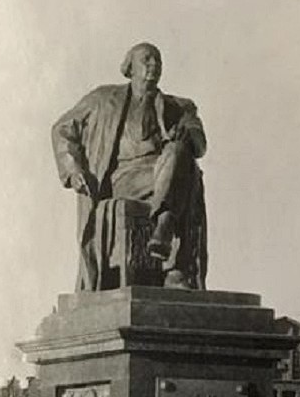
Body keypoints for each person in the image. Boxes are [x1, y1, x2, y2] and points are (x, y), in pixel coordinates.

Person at [52, 42, 208, 291]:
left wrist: (188, 136)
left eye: (158, 60)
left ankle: (164, 231)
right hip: (122, 180)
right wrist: (74, 170)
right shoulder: (103, 99)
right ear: (129, 68)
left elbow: (200, 146)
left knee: (180, 154)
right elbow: (62, 129)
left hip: (162, 173)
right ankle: (172, 263)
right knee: (184, 176)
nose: (154, 65)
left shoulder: (179, 107)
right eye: (147, 60)